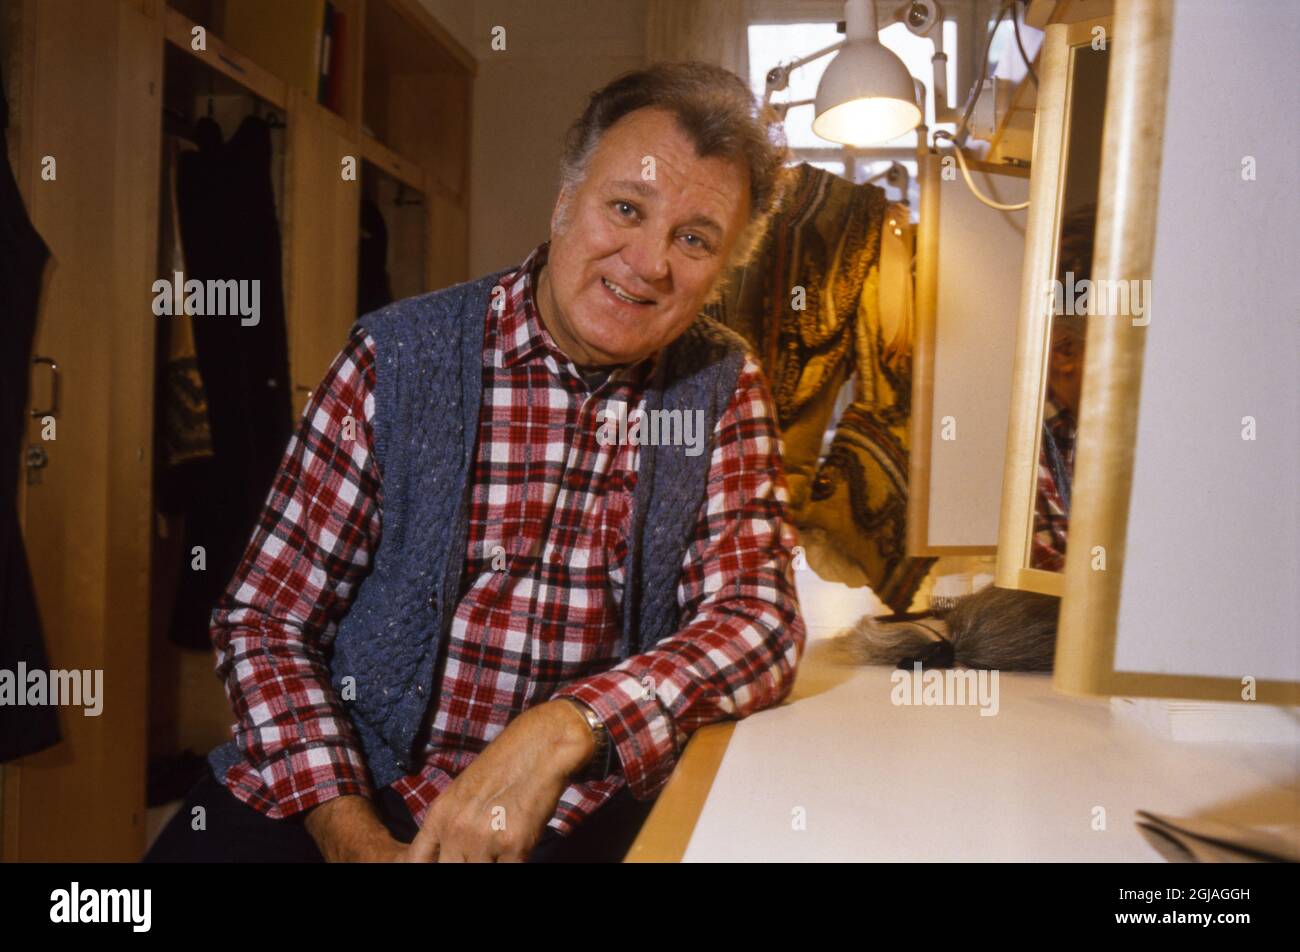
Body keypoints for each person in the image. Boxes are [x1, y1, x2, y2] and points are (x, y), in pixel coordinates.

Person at [145, 61, 806, 863]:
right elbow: (265, 621)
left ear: (723, 267)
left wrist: (566, 727)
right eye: (625, 208)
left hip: (567, 809)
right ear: (566, 204)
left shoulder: (721, 387)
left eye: (694, 239)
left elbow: (756, 622)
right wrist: (349, 833)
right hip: (337, 781)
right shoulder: (396, 356)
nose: (649, 262)